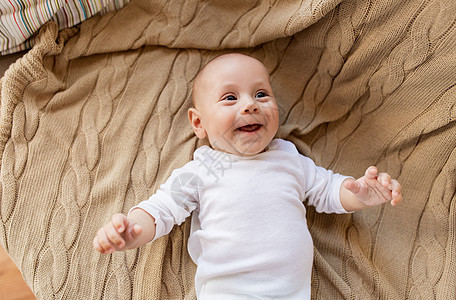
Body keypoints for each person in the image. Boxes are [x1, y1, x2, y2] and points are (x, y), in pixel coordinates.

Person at [93, 53, 402, 299]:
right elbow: (161, 209)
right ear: (199, 123)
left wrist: (359, 193)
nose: (251, 105)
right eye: (230, 98)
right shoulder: (204, 168)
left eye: (261, 94)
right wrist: (132, 229)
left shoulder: (289, 158)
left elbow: (329, 190)